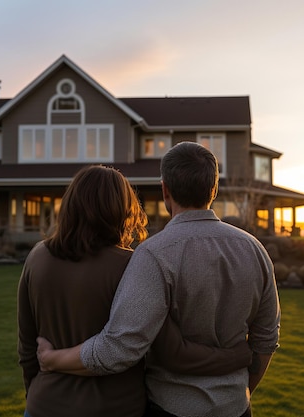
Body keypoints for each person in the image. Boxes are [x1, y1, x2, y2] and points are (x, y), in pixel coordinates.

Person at [37, 142, 281, 417]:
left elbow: (120, 347)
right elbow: (265, 340)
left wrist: (52, 359)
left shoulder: (154, 254)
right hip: (237, 408)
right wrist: (242, 391)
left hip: (170, 409)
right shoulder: (254, 250)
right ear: (214, 190)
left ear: (165, 190)